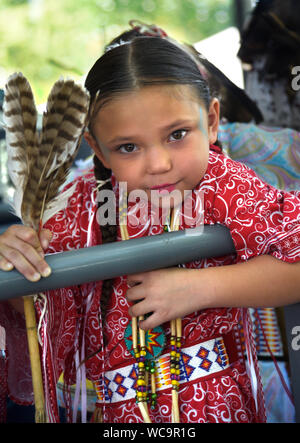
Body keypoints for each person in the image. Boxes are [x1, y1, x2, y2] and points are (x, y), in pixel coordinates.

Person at [0, 22, 300, 423]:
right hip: (118, 415)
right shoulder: (79, 204)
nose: (159, 164)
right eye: (128, 147)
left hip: (217, 407)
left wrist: (198, 288)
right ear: (98, 150)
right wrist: (16, 258)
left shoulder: (227, 185)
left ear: (212, 121)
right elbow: (41, 311)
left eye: (177, 134)